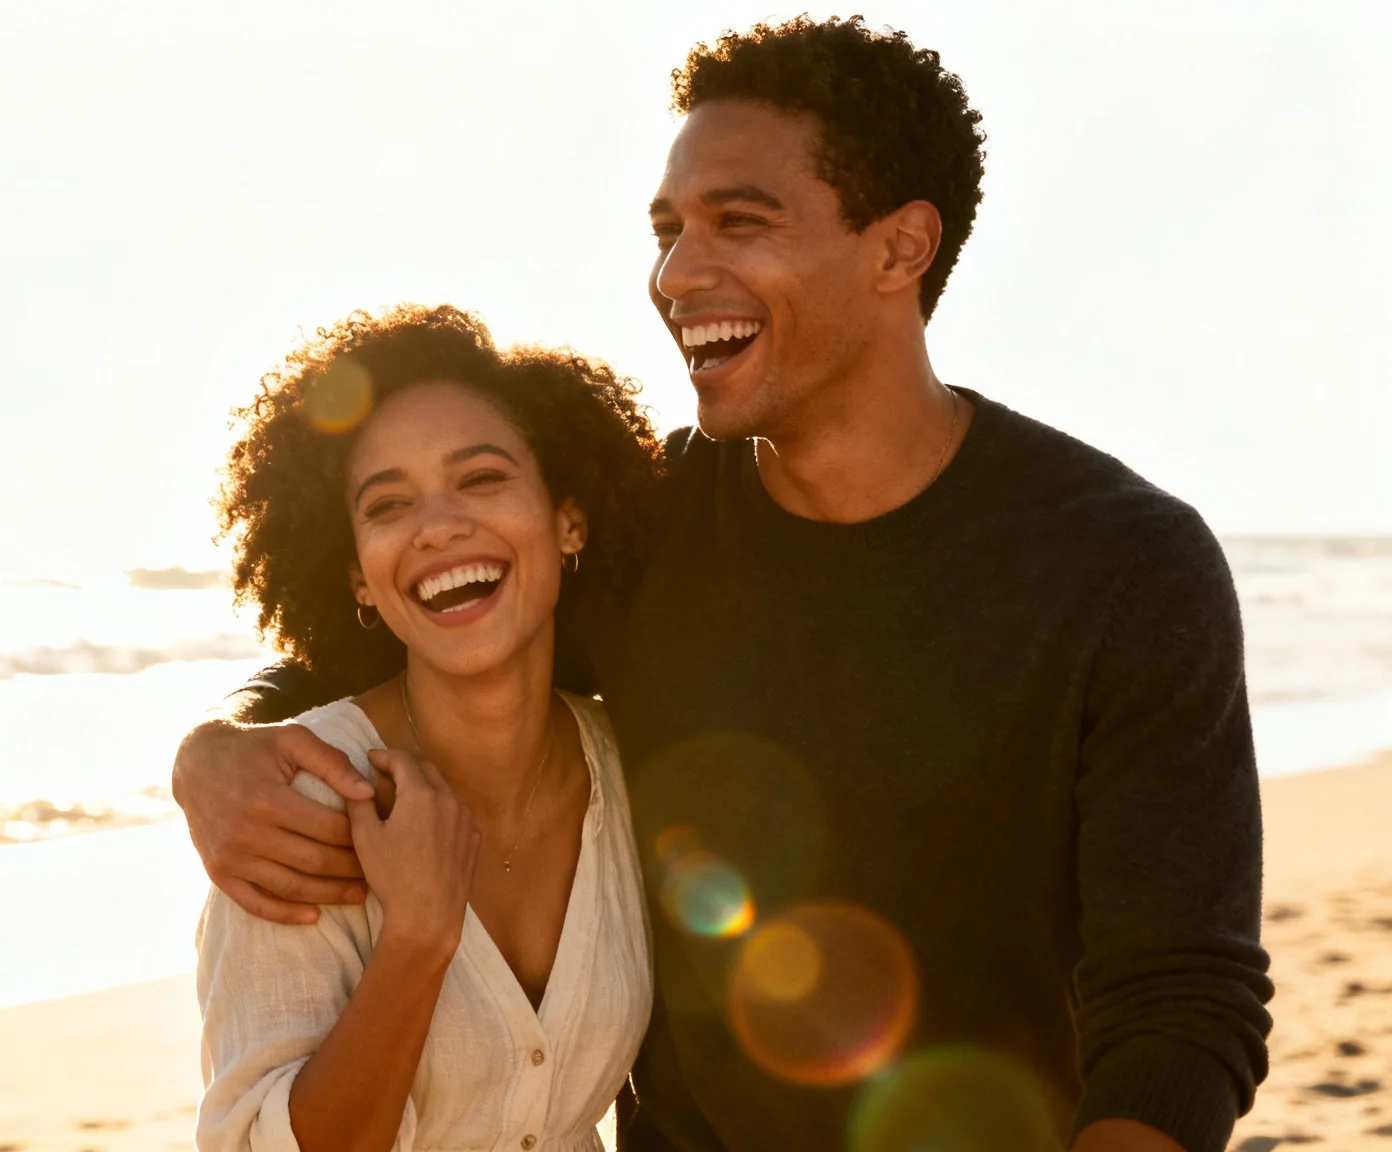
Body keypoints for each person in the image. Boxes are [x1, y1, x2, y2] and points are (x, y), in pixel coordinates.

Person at [175, 16, 1273, 1152]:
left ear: (898, 249)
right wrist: (209, 758)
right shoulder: (645, 532)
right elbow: (413, 643)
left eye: (737, 223)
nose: (675, 274)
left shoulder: (1122, 567)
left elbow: (1181, 1006)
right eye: (666, 230)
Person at [194, 305, 668, 1152]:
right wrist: (416, 935)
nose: (438, 527)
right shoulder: (297, 805)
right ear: (358, 578)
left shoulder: (632, 770)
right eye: (388, 505)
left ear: (570, 519)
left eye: (482, 479)